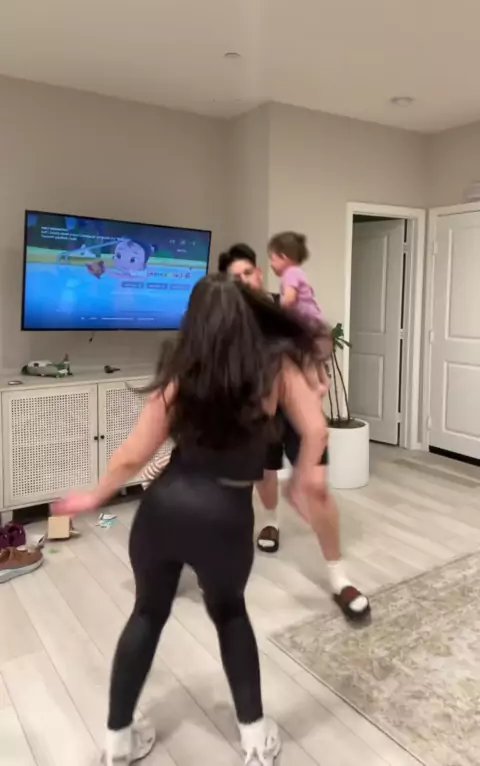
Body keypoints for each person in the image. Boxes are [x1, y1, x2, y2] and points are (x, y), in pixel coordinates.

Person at [53, 274, 330, 766]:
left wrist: (95, 495)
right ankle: (255, 740)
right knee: (230, 614)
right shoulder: (276, 369)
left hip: (163, 510)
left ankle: (117, 743)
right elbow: (316, 430)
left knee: (147, 613)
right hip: (225, 515)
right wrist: (303, 479)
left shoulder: (182, 371)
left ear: (193, 320)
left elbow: (133, 454)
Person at [218, 244, 370, 623]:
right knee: (266, 472)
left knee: (317, 487)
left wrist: (317, 367)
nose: (245, 280)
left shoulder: (287, 304)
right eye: (236, 277)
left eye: (249, 272)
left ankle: (339, 577)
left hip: (299, 407)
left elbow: (320, 341)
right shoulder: (226, 320)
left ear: (259, 273)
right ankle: (271, 521)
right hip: (261, 409)